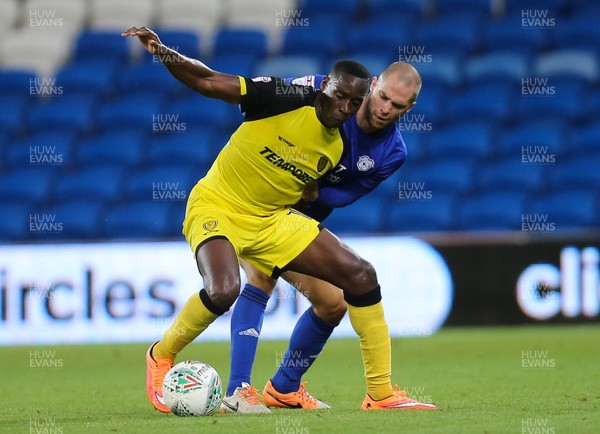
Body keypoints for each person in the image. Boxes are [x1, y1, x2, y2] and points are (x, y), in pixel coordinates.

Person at [122, 26, 401, 414]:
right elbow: (207, 80)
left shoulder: (337, 145)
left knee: (361, 276)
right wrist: (162, 51)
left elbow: (314, 190)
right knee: (223, 290)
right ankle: (161, 354)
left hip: (271, 220)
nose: (344, 108)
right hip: (218, 205)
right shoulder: (282, 97)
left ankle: (380, 395)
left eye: (354, 103)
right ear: (326, 87)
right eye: (339, 96)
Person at [223, 64, 436, 413]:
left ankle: (283, 388)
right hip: (258, 203)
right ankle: (237, 391)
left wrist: (313, 184)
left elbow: (345, 196)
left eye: (397, 106)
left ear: (409, 108)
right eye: (382, 96)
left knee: (333, 303)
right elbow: (267, 103)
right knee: (261, 277)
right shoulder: (332, 96)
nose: (385, 108)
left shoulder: (392, 153)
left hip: (302, 220)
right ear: (374, 84)